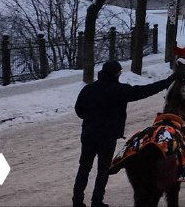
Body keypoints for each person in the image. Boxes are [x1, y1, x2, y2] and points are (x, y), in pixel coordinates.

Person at [72, 60, 173, 207]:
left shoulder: (88, 89)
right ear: (116, 74)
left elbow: (79, 110)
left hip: (88, 134)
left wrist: (91, 119)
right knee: (103, 169)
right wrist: (167, 82)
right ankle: (97, 201)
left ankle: (77, 201)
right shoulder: (120, 90)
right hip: (107, 136)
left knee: (84, 167)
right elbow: (144, 91)